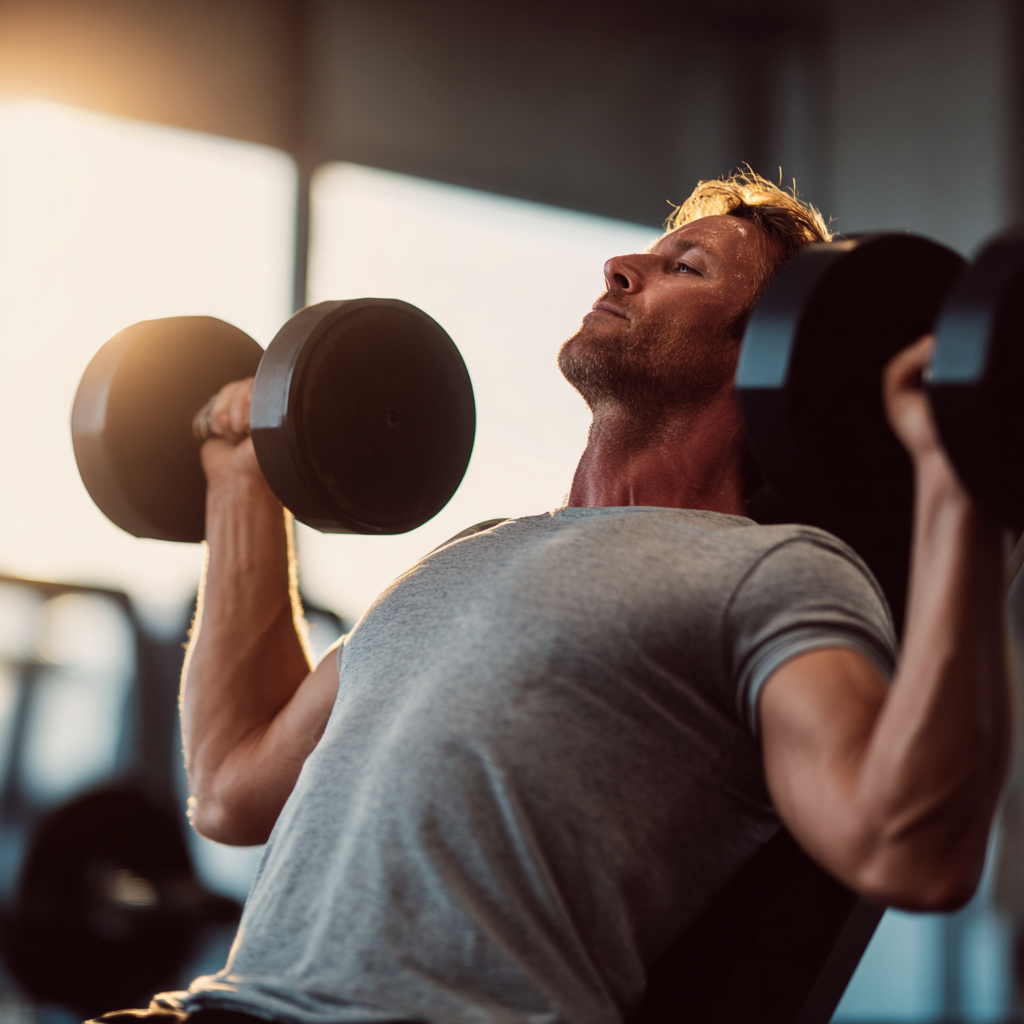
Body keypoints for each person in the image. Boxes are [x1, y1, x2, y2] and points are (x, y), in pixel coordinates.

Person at [102, 170, 1010, 1024]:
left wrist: (959, 478)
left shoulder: (775, 572)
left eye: (683, 267)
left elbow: (909, 846)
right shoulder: (466, 553)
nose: (621, 267)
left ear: (766, 348)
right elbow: (231, 788)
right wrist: (237, 476)